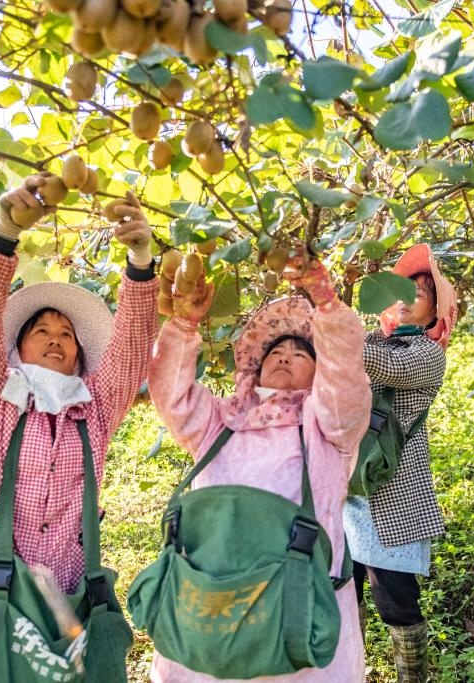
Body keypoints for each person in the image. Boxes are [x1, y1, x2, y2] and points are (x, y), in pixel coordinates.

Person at [0, 174, 159, 634]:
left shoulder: (95, 406)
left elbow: (131, 348)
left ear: (79, 353)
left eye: (66, 333)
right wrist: (4, 234)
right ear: (17, 349)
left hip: (67, 585)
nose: (56, 339)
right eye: (42, 331)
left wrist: (141, 260)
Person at [145, 257, 372, 681]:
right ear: (256, 365)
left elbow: (345, 376)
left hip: (295, 609)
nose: (285, 356)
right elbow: (170, 393)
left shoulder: (329, 423)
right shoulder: (219, 420)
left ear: (318, 370)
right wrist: (183, 327)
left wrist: (325, 303)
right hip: (213, 602)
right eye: (277, 351)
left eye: (300, 353)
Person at [343, 243, 458, 683]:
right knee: (343, 588)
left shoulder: (427, 354)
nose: (405, 298)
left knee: (395, 600)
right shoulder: (377, 338)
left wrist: (335, 329)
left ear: (434, 310)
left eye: (419, 293)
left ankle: (412, 677)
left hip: (391, 494)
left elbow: (381, 366)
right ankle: (348, 670)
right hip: (351, 485)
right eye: (399, 290)